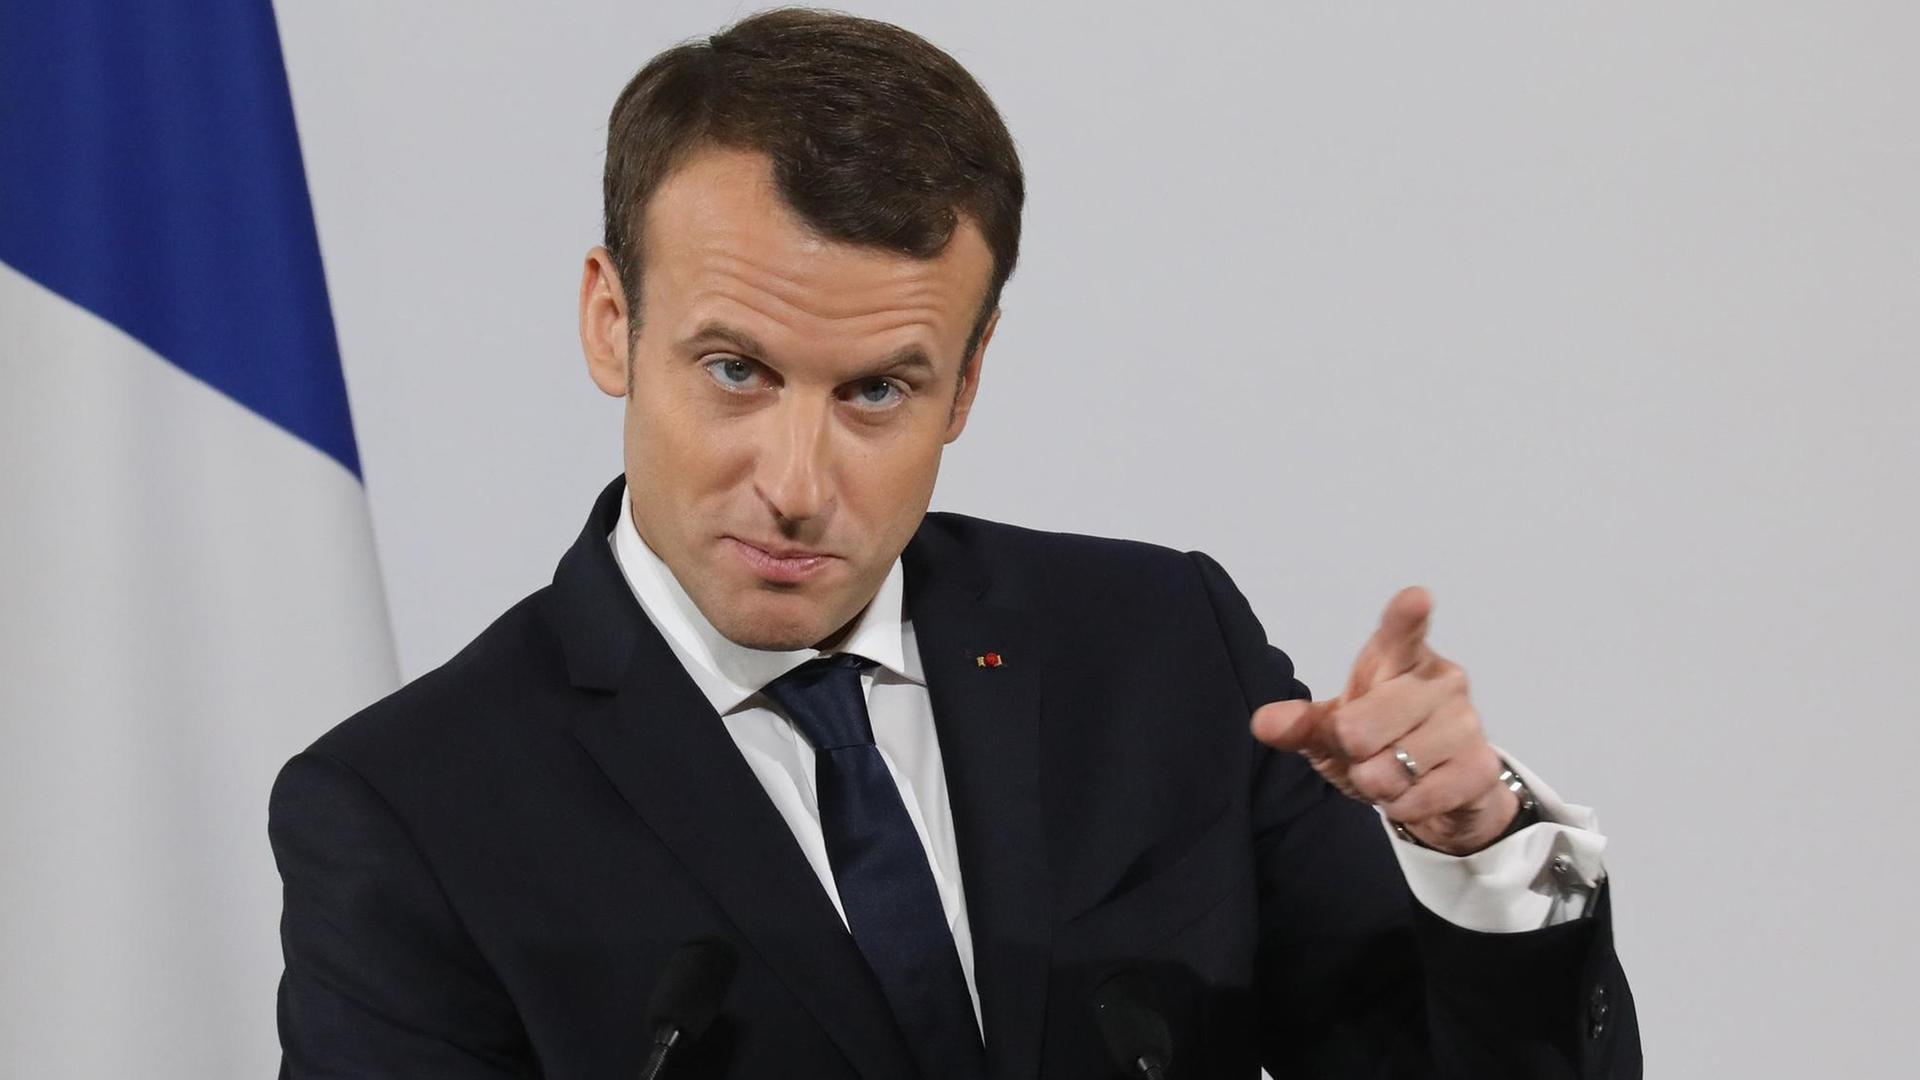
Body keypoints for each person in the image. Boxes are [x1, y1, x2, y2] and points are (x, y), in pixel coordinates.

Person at [269, 8, 1639, 1078]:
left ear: (967, 382)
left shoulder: (1162, 651)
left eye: (876, 391)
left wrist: (1474, 850)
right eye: (737, 371)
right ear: (610, 323)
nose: (796, 485)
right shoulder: (412, 814)